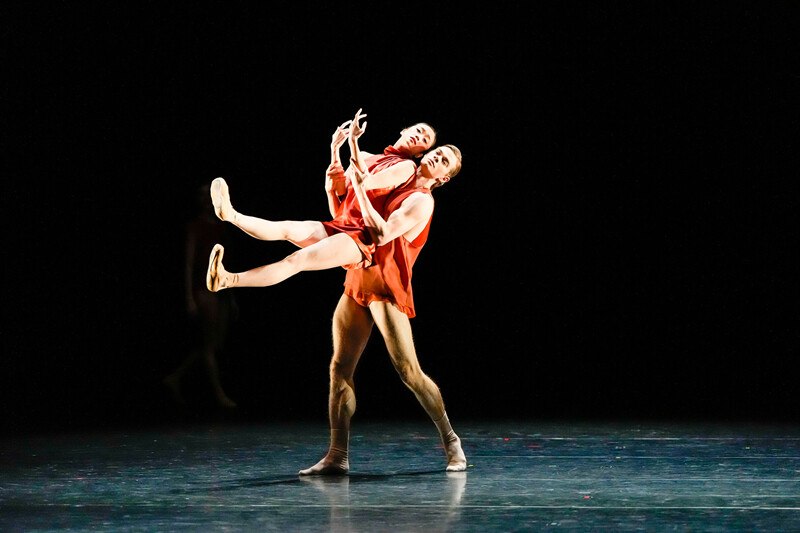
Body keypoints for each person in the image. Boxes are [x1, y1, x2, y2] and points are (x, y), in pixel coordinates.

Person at [299, 145, 467, 475]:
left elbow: (384, 231)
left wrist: (360, 185)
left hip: (386, 285)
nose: (436, 156)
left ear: (444, 177)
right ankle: (337, 455)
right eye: (438, 151)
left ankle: (452, 442)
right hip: (361, 275)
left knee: (409, 372)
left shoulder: (422, 200)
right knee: (339, 367)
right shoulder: (397, 176)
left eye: (444, 160)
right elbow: (347, 212)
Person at [205, 109, 437, 291]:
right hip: (340, 225)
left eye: (425, 139)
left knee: (296, 261)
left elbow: (366, 181)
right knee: (285, 229)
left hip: (359, 239)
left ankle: (229, 280)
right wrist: (335, 149)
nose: (420, 135)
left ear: (420, 153)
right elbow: (340, 203)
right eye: (419, 130)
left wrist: (353, 143)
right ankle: (230, 214)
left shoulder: (406, 167)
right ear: (404, 130)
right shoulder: (367, 157)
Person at [163, 184, 238, 409]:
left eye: (209, 195)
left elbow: (225, 262)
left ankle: (175, 377)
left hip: (221, 289)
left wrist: (231, 296)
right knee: (208, 345)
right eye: (203, 195)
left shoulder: (221, 227)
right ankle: (219, 395)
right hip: (202, 289)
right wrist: (189, 297)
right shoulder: (195, 227)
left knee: (214, 343)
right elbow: (187, 263)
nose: (206, 199)